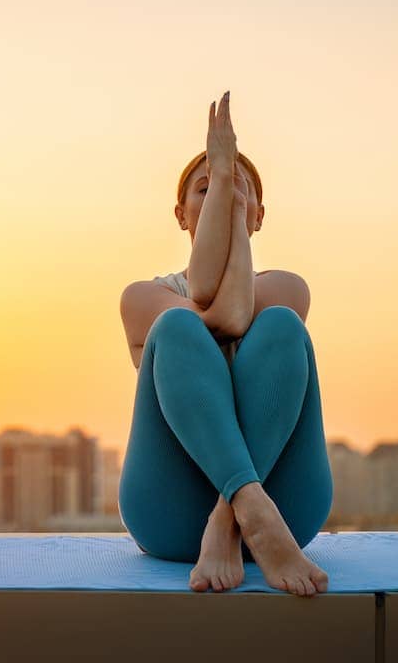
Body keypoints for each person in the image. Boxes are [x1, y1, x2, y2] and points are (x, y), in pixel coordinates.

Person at [117, 90, 333, 597]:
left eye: (240, 189)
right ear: (180, 212)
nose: (223, 192)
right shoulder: (144, 298)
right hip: (170, 514)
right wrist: (228, 197)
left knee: (280, 325)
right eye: (205, 188)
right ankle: (246, 506)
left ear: (260, 215)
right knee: (177, 330)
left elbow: (236, 316)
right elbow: (216, 317)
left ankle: (236, 516)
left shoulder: (286, 286)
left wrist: (227, 207)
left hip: (286, 513)